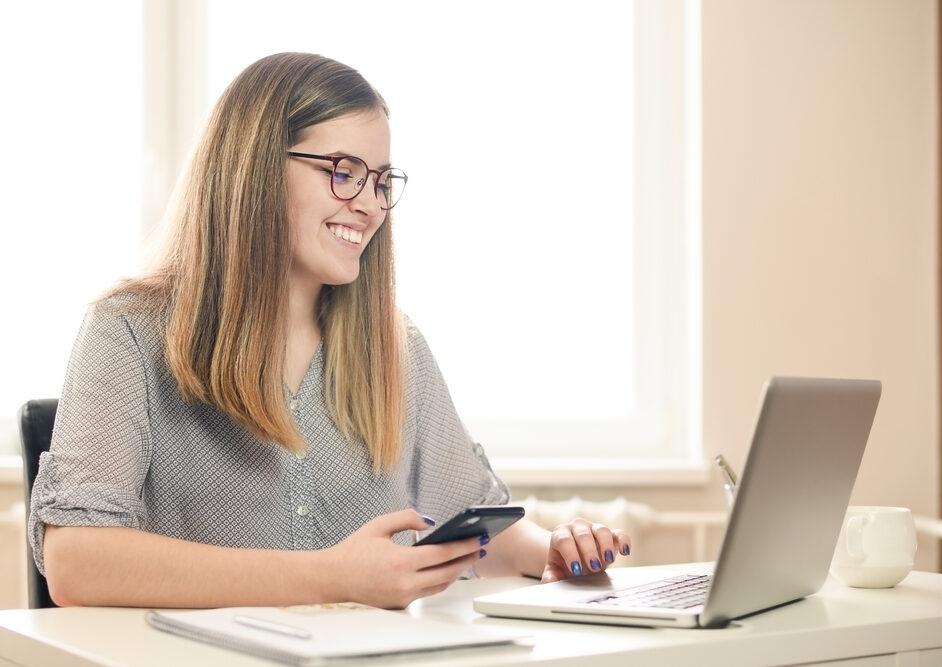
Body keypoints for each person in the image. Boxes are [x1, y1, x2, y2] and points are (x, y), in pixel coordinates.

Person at [28, 52, 632, 609]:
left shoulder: (396, 349)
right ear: (255, 170)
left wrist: (553, 550)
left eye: (380, 180)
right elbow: (77, 561)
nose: (369, 205)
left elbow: (478, 526)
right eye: (343, 172)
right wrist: (331, 576)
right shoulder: (127, 333)